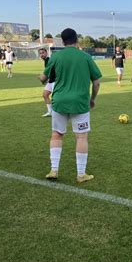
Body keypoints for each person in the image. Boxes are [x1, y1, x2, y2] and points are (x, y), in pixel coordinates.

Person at [39, 28, 102, 183]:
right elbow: (97, 82)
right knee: (81, 137)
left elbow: (43, 78)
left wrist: (41, 78)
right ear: (77, 40)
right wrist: (92, 99)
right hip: (80, 102)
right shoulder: (85, 57)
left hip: (59, 102)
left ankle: (54, 169)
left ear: (62, 41)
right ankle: (81, 174)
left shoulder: (55, 57)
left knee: (56, 134)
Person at [39, 47, 55, 117]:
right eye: (40, 53)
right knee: (45, 94)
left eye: (43, 53)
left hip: (55, 81)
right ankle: (50, 112)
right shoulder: (46, 60)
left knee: (56, 98)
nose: (41, 54)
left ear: (46, 53)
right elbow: (49, 72)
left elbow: (50, 72)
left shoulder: (48, 60)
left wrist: (42, 79)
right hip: (51, 81)